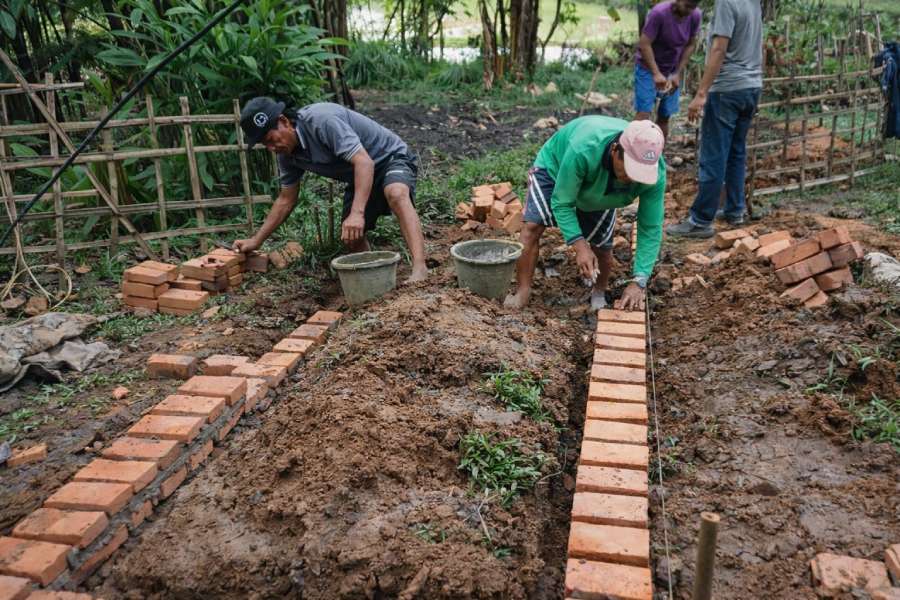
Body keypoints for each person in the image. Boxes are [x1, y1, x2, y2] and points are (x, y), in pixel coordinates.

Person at [233, 97, 428, 282]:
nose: (271, 148)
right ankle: (374, 276)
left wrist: (357, 214)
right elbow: (286, 200)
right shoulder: (287, 155)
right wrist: (256, 241)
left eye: (271, 139)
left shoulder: (321, 121)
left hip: (389, 158)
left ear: (284, 121)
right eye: (265, 144)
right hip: (358, 174)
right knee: (351, 237)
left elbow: (364, 162)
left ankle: (420, 268)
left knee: (396, 193)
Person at [504, 118, 666, 312]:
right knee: (532, 226)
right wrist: (579, 246)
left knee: (603, 246)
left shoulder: (654, 175)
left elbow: (650, 227)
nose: (632, 180)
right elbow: (562, 202)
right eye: (630, 170)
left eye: (639, 174)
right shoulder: (583, 149)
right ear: (615, 150)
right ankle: (523, 291)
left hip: (599, 193)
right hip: (556, 170)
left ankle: (599, 292)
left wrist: (639, 281)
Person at [666, 0, 763, 238]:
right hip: (751, 86)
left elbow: (719, 48)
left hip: (728, 88)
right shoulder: (753, 2)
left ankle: (701, 220)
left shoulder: (726, 3)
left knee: (714, 155)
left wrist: (701, 93)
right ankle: (734, 210)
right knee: (736, 152)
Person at [634, 0, 702, 140]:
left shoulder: (695, 15)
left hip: (671, 70)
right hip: (648, 68)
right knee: (643, 115)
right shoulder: (659, 13)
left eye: (693, 7)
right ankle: (630, 155)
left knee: (665, 116)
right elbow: (644, 44)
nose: (689, 11)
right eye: (687, 5)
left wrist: (677, 73)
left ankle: (658, 156)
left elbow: (690, 45)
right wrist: (656, 73)